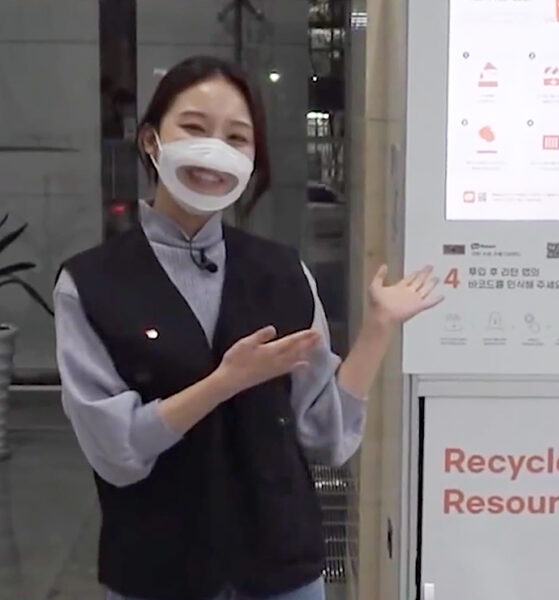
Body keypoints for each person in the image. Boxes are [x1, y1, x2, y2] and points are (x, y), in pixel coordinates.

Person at [54, 56, 443, 600]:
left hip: (281, 569)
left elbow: (324, 433)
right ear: (150, 140)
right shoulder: (91, 283)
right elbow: (116, 451)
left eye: (236, 137)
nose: (214, 151)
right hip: (158, 571)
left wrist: (378, 326)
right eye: (194, 128)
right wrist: (224, 382)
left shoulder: (281, 272)